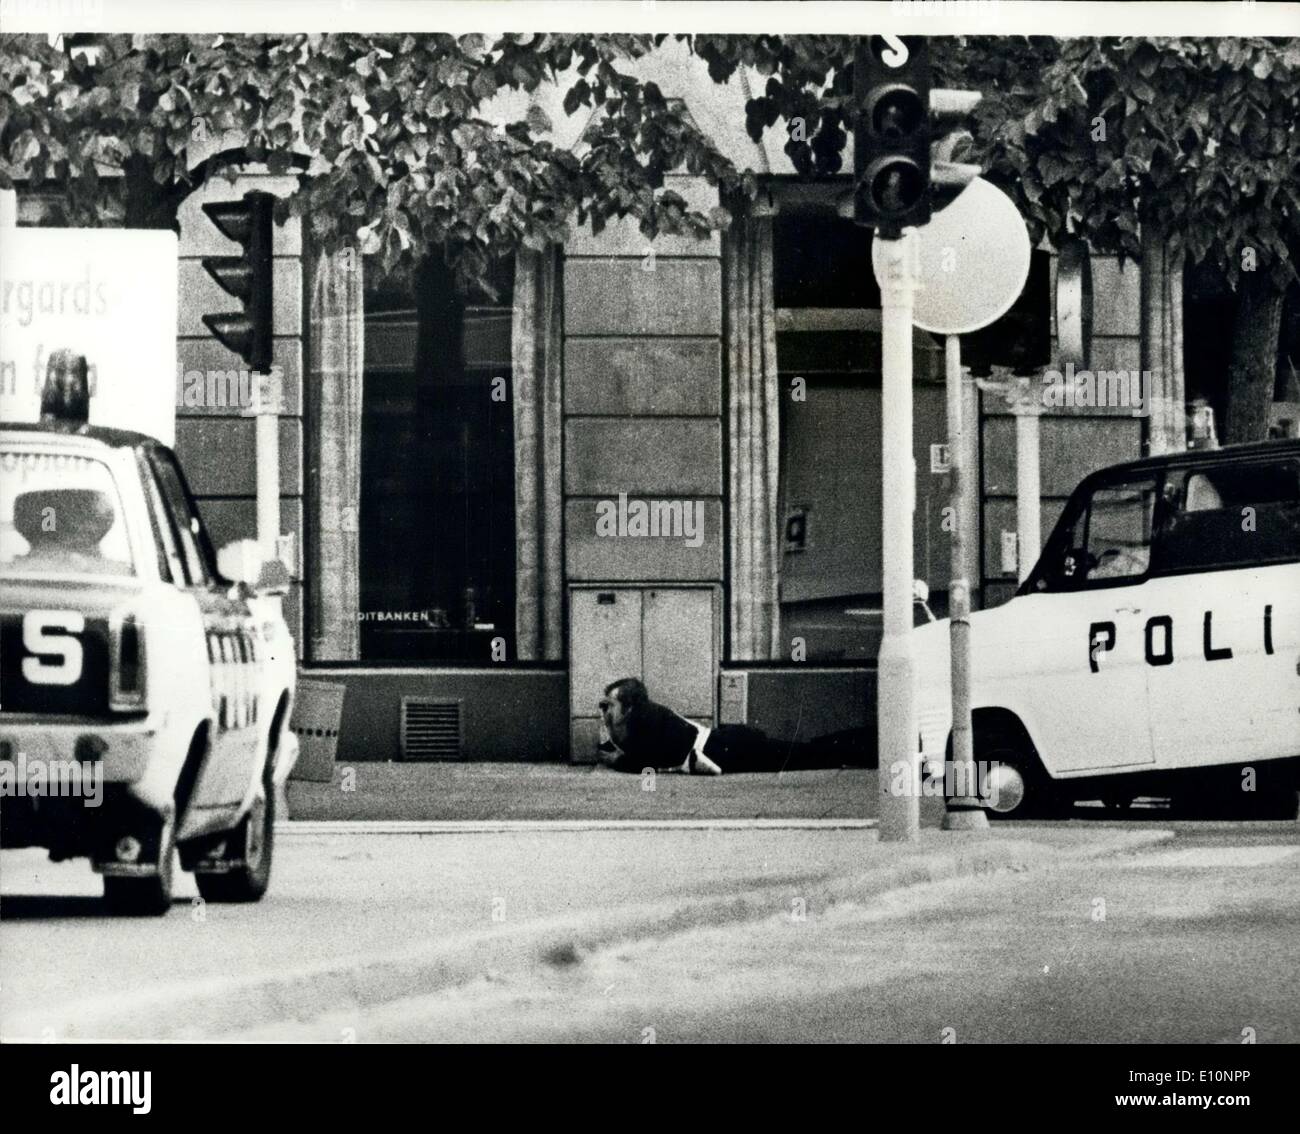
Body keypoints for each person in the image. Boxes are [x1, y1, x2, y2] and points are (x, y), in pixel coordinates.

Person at [596, 677, 872, 776]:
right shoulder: (645, 720)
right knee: (807, 752)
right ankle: (868, 743)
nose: (605, 711)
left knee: (808, 755)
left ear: (630, 708)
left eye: (609, 705)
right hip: (726, 744)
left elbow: (641, 762)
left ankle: (869, 746)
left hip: (725, 748)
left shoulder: (648, 721)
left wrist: (616, 759)